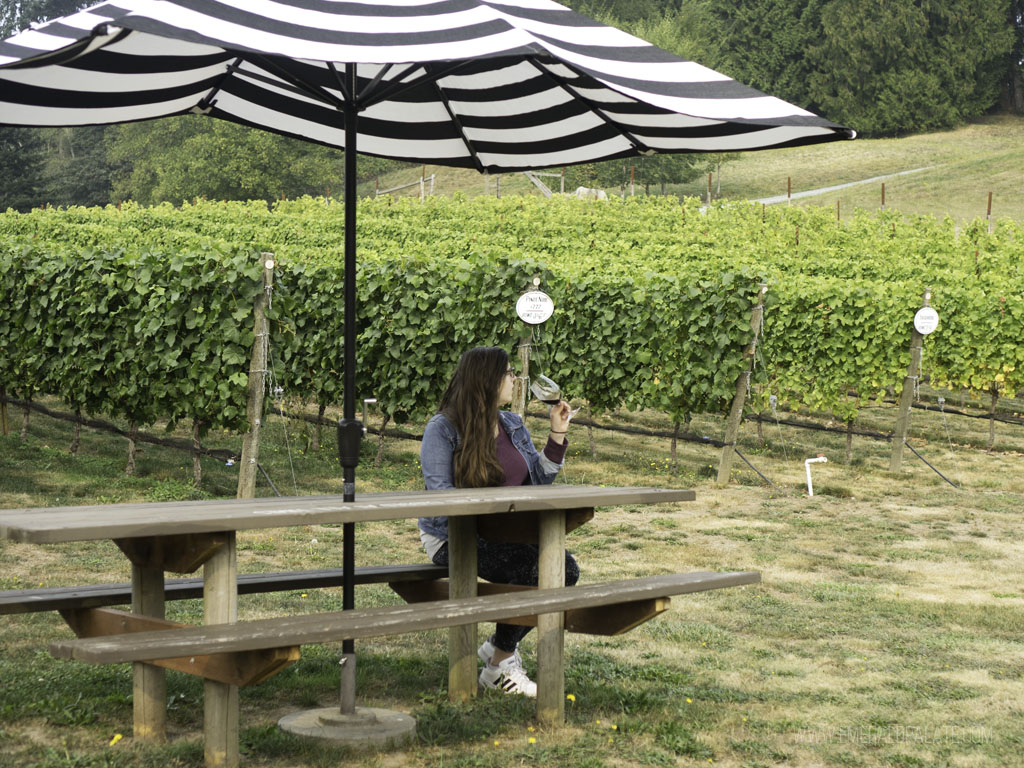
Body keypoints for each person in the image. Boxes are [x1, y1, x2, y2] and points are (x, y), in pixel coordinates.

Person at [418, 346, 578, 697]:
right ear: (487, 380)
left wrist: (557, 435)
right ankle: (499, 664)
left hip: (507, 536)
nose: (514, 379)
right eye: (508, 373)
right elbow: (440, 497)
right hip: (453, 538)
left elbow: (537, 478)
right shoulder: (442, 429)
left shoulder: (512, 424)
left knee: (563, 569)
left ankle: (498, 653)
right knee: (537, 568)